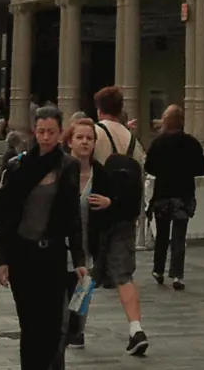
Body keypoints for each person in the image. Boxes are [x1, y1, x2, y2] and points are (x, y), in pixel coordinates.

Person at [0, 106, 84, 370]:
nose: (46, 137)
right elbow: (5, 217)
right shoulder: (19, 165)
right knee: (30, 325)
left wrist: (79, 259)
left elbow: (73, 216)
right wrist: (2, 259)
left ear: (60, 133)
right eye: (41, 131)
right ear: (34, 131)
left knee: (52, 326)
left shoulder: (68, 166)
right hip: (22, 253)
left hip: (52, 253)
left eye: (51, 132)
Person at [65, 115, 145, 353]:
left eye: (89, 138)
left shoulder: (101, 174)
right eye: (79, 137)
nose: (84, 142)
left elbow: (118, 204)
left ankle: (77, 331)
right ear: (69, 141)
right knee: (70, 286)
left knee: (84, 282)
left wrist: (110, 203)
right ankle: (71, 330)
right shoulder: (60, 172)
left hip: (93, 239)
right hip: (64, 241)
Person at [144, 106, 204, 291]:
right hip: (183, 195)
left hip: (163, 194)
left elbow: (149, 167)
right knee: (179, 236)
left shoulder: (158, 143)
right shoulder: (191, 143)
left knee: (162, 235)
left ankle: (158, 269)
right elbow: (201, 168)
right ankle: (177, 274)